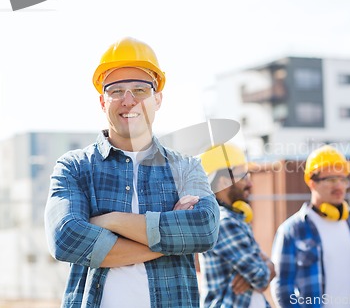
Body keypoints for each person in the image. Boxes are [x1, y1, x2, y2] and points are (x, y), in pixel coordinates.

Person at [44, 37, 220, 307]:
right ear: (103, 101)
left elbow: (204, 229)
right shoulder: (75, 167)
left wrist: (110, 220)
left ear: (157, 99)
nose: (128, 101)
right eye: (116, 91)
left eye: (140, 90)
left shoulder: (186, 168)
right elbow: (66, 238)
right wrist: (172, 241)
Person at [271, 145, 350, 308]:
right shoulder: (292, 230)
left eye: (343, 179)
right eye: (331, 180)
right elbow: (282, 287)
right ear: (312, 182)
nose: (339, 186)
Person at [198, 143, 275, 307]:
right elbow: (261, 278)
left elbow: (262, 272)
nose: (250, 183)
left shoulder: (235, 219)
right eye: (244, 176)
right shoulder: (224, 223)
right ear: (225, 180)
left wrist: (264, 268)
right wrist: (267, 267)